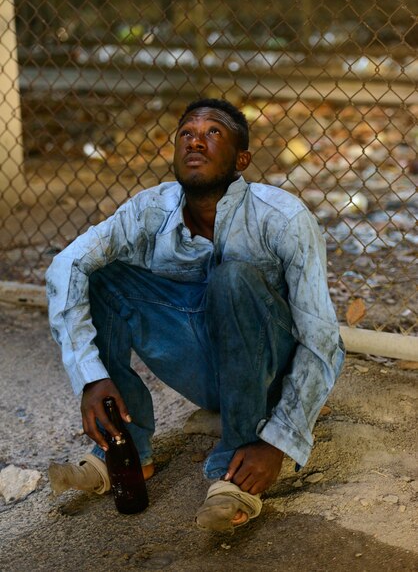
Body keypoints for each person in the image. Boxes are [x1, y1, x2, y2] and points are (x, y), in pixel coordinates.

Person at [46, 98, 344, 532]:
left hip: (267, 375)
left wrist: (279, 441)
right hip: (205, 365)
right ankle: (126, 447)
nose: (196, 142)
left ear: (241, 159)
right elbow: (67, 265)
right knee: (100, 276)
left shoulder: (282, 218)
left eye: (213, 133)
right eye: (186, 133)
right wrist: (90, 376)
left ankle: (238, 465)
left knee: (234, 278)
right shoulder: (151, 209)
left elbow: (322, 340)